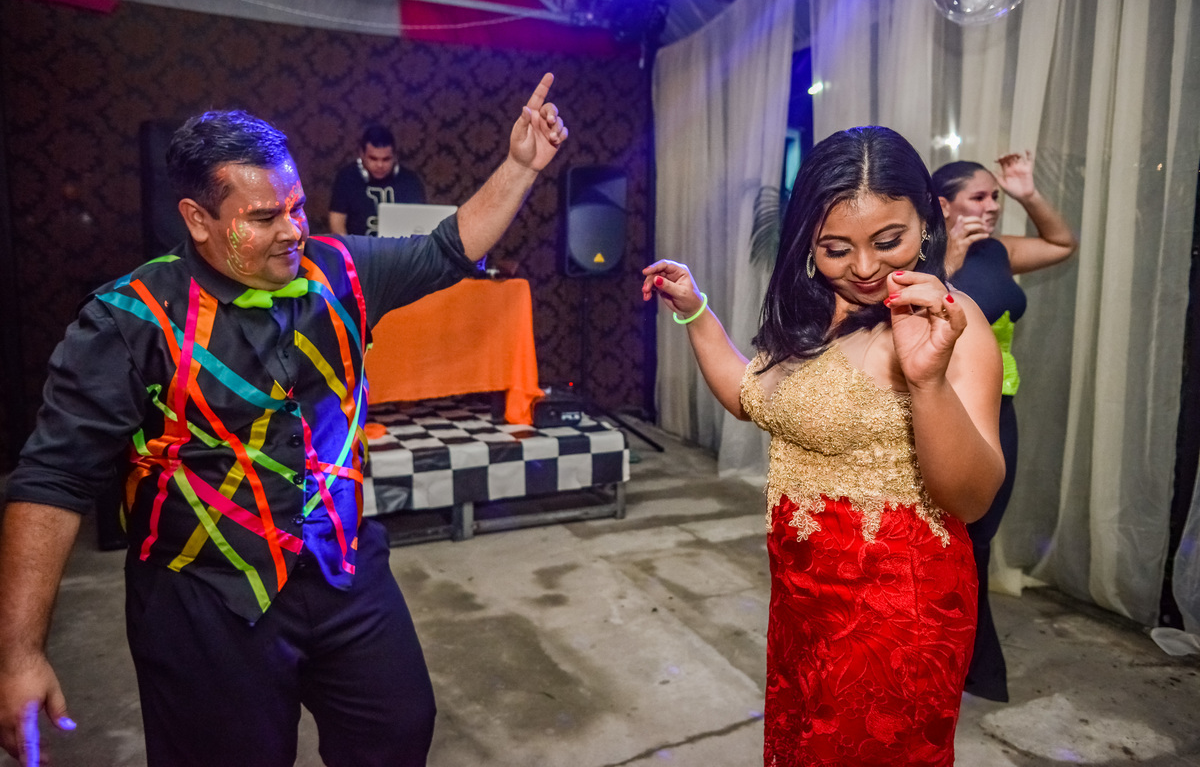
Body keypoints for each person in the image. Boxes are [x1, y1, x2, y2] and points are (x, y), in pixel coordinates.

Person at [0, 74, 567, 767]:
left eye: (297, 208)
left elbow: (447, 248)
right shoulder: (129, 319)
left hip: (341, 571)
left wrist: (519, 166)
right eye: (265, 217)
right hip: (203, 599)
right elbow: (51, 481)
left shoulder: (341, 273)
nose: (293, 230)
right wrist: (20, 653)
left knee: (397, 730)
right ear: (198, 219)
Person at [644, 126, 1004, 766]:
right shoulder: (813, 315)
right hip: (803, 600)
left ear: (927, 220)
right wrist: (695, 311)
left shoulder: (951, 319)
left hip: (896, 613)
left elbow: (971, 498)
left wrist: (926, 384)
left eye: (888, 242)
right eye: (837, 248)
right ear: (809, 243)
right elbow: (753, 398)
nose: (865, 268)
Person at [932, 152, 1078, 703]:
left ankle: (969, 657)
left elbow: (1062, 244)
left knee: (978, 539)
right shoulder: (920, 251)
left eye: (996, 197)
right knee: (950, 538)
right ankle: (955, 658)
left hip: (999, 412)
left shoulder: (998, 251)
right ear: (943, 204)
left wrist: (1028, 193)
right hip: (943, 408)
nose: (991, 207)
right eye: (980, 197)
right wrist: (946, 260)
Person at [329, 124, 425, 236]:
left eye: (386, 159)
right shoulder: (347, 178)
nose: (380, 165)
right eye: (373, 158)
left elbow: (420, 223)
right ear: (362, 154)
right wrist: (347, 251)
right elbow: (337, 223)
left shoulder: (410, 181)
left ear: (395, 156)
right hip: (357, 250)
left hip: (399, 251)